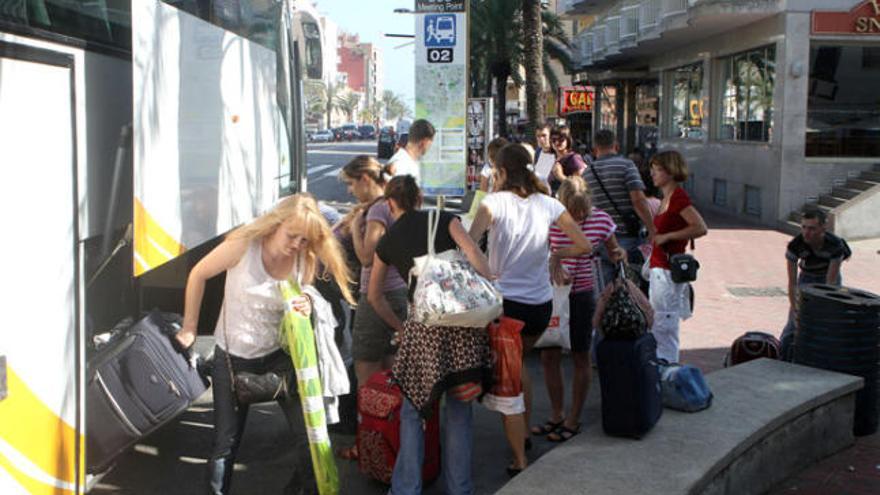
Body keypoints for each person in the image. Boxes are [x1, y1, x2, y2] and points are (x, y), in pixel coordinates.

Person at [175, 194, 354, 495]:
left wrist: (307, 302)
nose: (297, 244)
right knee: (225, 445)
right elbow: (198, 274)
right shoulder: (244, 245)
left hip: (280, 357)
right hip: (232, 359)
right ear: (276, 223)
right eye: (292, 235)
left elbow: (304, 295)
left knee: (311, 437)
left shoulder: (304, 257)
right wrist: (190, 327)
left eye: (305, 240)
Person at [469, 144, 592, 476]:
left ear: (503, 171)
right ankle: (522, 433)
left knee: (509, 377)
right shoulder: (549, 204)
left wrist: (485, 266)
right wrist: (555, 255)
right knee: (521, 366)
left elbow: (468, 241)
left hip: (505, 304)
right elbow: (584, 245)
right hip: (540, 304)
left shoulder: (493, 203)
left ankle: (519, 452)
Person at [368, 176, 494, 495]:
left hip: (423, 329)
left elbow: (374, 297)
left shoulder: (388, 241)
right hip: (462, 326)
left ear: (389, 203)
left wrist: (400, 327)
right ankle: (459, 488)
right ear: (419, 196)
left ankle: (406, 488)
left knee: (413, 411)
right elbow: (479, 261)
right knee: (460, 406)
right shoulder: (444, 219)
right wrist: (487, 284)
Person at [334, 156, 409, 460]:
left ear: (366, 178)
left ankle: (367, 447)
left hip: (376, 294)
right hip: (398, 292)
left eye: (352, 183)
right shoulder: (393, 203)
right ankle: (397, 441)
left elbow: (367, 256)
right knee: (392, 371)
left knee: (366, 375)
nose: (351, 191)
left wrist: (354, 228)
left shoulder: (377, 209)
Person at [541, 176, 625, 442]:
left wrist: (619, 254)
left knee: (580, 355)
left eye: (582, 211)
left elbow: (614, 250)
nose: (578, 216)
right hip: (553, 293)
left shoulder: (600, 219)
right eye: (573, 211)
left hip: (582, 294)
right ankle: (556, 413)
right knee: (549, 355)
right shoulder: (550, 218)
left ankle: (573, 418)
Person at [647, 151, 707, 363]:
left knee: (665, 323)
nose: (653, 173)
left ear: (671, 172)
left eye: (658, 169)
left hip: (667, 269)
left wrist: (668, 236)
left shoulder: (678, 198)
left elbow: (700, 227)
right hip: (658, 267)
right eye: (652, 169)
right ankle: (663, 365)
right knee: (659, 321)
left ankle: (668, 368)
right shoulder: (666, 198)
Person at [584, 129, 656, 282]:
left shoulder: (586, 173)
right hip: (627, 236)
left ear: (595, 149)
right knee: (631, 283)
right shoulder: (626, 166)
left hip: (600, 238)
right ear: (616, 146)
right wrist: (651, 228)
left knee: (606, 287)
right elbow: (638, 200)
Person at [779, 208, 851, 360]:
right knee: (792, 328)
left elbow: (830, 285)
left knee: (827, 323)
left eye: (812, 228)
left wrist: (824, 312)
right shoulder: (795, 245)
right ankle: (782, 358)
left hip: (828, 276)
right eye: (803, 227)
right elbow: (792, 284)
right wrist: (796, 310)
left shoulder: (835, 245)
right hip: (806, 277)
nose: (806, 232)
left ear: (823, 228)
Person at [386, 119, 435, 184]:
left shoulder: (406, 161)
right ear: (424, 142)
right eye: (431, 141)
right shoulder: (402, 165)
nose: (430, 146)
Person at [548, 130, 587, 195]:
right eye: (553, 140)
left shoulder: (574, 158)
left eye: (561, 140)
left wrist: (560, 176)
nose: (557, 142)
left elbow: (580, 187)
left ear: (568, 140)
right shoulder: (552, 159)